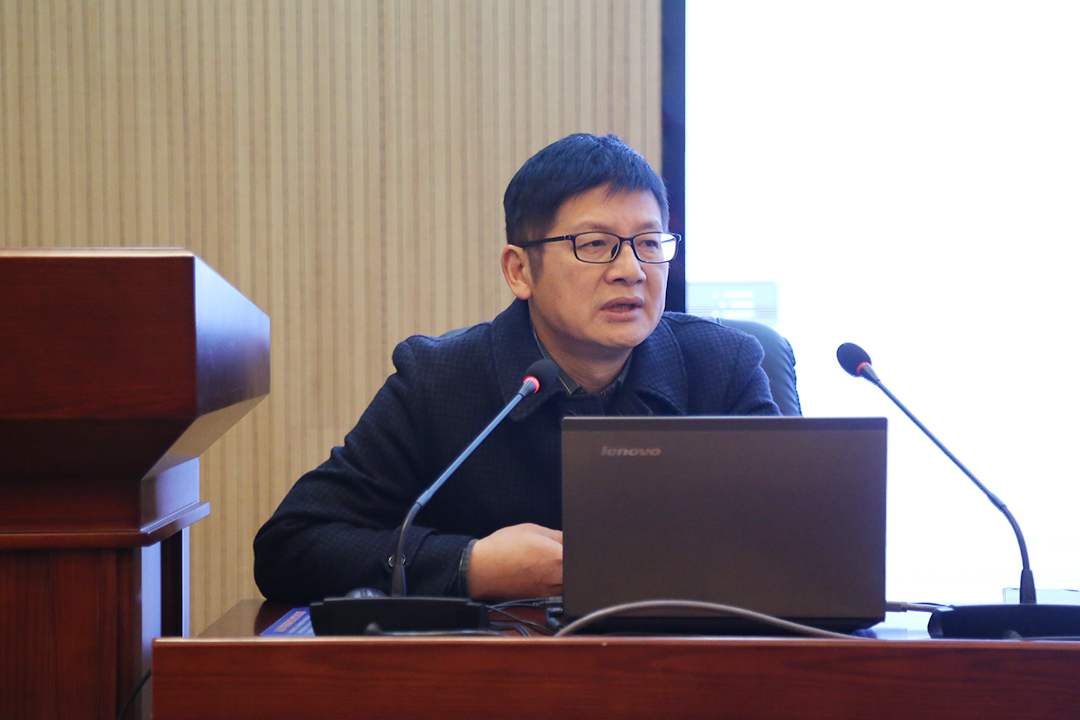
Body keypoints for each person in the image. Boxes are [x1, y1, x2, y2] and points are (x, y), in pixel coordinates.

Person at [253, 133, 779, 605]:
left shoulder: (723, 366)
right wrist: (470, 565)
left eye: (648, 243)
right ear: (520, 270)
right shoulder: (439, 381)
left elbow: (795, 544)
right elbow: (292, 545)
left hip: (682, 664)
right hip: (502, 671)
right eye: (595, 244)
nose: (631, 270)